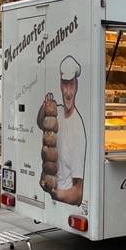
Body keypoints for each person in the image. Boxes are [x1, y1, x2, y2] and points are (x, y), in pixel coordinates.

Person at [37, 55, 86, 206]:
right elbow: (40, 123)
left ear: (76, 85)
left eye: (71, 85)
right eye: (65, 85)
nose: (68, 92)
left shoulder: (78, 129)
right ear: (60, 84)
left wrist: (54, 193)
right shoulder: (56, 112)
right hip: (49, 187)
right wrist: (44, 107)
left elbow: (77, 193)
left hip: (62, 198)